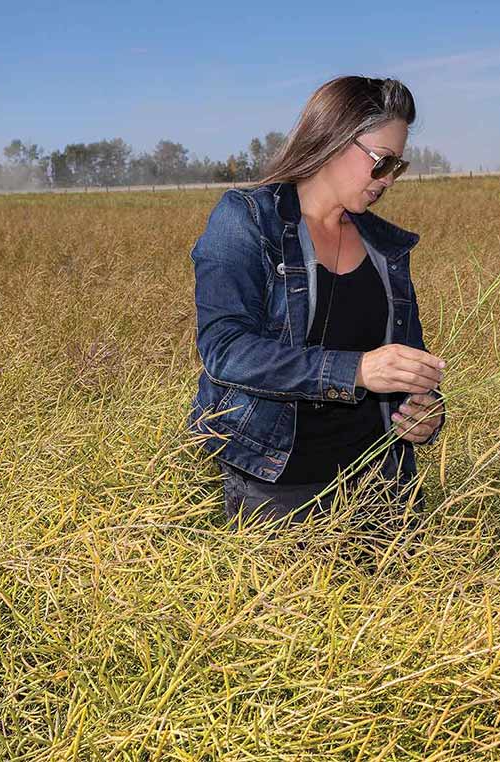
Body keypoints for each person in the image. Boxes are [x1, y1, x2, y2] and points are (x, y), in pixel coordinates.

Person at [189, 76, 445, 525]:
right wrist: (357, 370)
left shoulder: (387, 250)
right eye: (382, 162)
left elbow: (408, 367)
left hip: (385, 488)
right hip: (278, 491)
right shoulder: (247, 221)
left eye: (397, 167)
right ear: (332, 138)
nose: (388, 180)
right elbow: (225, 351)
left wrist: (426, 415)